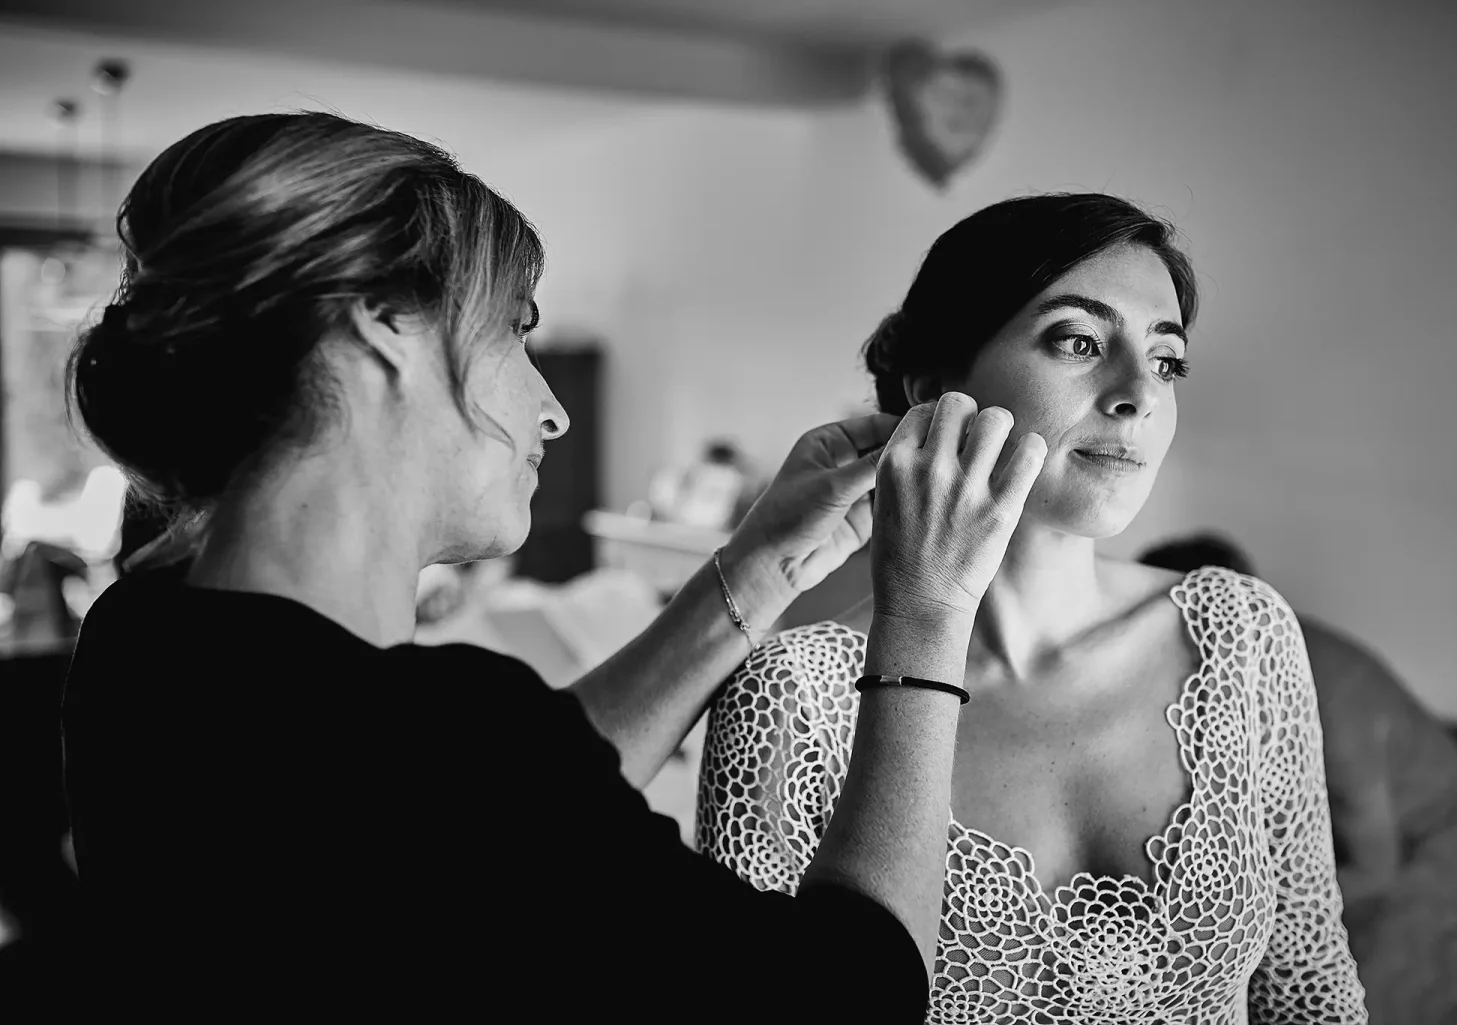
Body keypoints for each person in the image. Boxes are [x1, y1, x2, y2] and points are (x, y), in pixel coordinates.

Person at [56, 112, 1050, 1020]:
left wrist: (760, 566)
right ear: (383, 322)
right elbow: (857, 991)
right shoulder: (442, 744)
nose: (553, 406)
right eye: (516, 328)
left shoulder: (143, 633)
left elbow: (505, 836)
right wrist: (926, 611)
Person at [695, 194, 1369, 1023]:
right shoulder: (792, 699)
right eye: (1078, 342)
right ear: (937, 386)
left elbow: (1311, 989)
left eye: (1167, 361)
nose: (1138, 396)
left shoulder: (1240, 634)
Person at [1139, 532, 1457, 1025]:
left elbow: (1374, 867)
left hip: (1411, 839)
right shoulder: (1195, 679)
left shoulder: (1327, 693)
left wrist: (1228, 927)